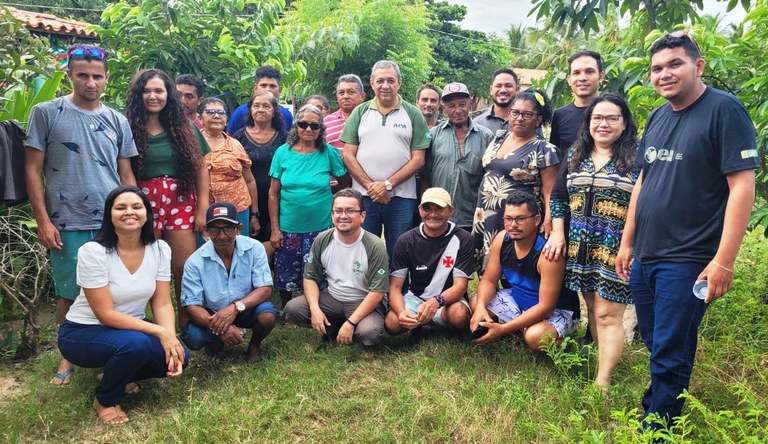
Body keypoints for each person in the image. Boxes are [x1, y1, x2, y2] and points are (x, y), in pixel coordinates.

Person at [615, 31, 758, 428]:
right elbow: (644, 181)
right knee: (654, 337)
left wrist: (724, 262)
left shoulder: (724, 111)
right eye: (657, 68)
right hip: (646, 252)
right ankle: (658, 402)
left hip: (689, 255)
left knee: (671, 346)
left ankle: (659, 426)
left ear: (698, 66)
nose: (664, 74)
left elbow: (742, 186)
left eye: (674, 64)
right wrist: (628, 242)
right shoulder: (660, 116)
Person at [24, 45, 137, 386]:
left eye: (97, 76)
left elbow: (126, 173)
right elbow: (32, 170)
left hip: (113, 220)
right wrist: (43, 220)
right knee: (70, 292)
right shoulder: (47, 113)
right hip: (66, 219)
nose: (91, 82)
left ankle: (115, 354)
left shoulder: (117, 120)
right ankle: (67, 355)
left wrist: (136, 212)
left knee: (117, 290)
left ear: (107, 78)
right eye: (83, 75)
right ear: (70, 74)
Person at [57, 185, 188, 425]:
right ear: (110, 215)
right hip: (82, 331)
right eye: (121, 207)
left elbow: (161, 302)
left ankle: (119, 373)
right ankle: (106, 398)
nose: (130, 212)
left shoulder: (159, 249)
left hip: (130, 331)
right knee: (135, 345)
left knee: (180, 356)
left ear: (147, 213)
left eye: (137, 206)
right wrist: (160, 332)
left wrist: (170, 339)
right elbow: (105, 314)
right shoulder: (93, 252)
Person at [544, 93, 639, 389]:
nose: (604, 124)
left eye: (612, 118)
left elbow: (648, 203)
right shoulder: (576, 154)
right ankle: (604, 360)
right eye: (598, 118)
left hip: (617, 248)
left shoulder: (636, 157)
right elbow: (558, 197)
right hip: (580, 247)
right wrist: (558, 231)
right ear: (589, 122)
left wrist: (632, 244)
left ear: (624, 124)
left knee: (608, 314)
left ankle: (603, 381)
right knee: (594, 310)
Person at [125, 68, 210, 328]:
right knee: (146, 267)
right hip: (143, 202)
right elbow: (125, 170)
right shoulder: (127, 127)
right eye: (146, 91)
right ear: (138, 96)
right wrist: (134, 205)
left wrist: (202, 208)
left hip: (180, 200)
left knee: (183, 268)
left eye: (158, 90)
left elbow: (200, 167)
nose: (152, 96)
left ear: (168, 94)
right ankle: (146, 325)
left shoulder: (183, 127)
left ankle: (186, 324)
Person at [340, 60, 431, 259]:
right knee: (364, 249)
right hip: (364, 196)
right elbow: (348, 154)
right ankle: (368, 289)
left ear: (400, 82)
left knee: (399, 249)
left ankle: (398, 290)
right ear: (372, 82)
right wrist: (371, 186)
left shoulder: (413, 114)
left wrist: (387, 185)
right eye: (380, 80)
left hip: (401, 197)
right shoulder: (360, 112)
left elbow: (418, 159)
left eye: (391, 80)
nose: (385, 85)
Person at [470, 191, 579, 350]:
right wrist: (480, 308)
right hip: (518, 301)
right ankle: (521, 326)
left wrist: (502, 330)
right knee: (477, 301)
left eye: (520, 218)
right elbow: (488, 280)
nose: (513, 225)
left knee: (534, 337)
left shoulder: (548, 252)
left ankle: (570, 346)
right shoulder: (502, 239)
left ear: (536, 220)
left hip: (556, 311)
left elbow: (546, 307)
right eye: (508, 219)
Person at [284, 188, 389, 346]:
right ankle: (332, 326)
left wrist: (351, 324)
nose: (344, 216)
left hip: (362, 300)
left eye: (350, 211)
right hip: (333, 298)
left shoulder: (374, 245)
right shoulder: (322, 240)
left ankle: (346, 326)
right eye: (338, 211)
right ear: (332, 215)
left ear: (362, 216)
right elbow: (310, 277)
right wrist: (315, 310)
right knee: (292, 309)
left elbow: (378, 292)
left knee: (369, 334)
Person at [472, 90, 560, 274]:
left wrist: (548, 221)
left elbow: (550, 191)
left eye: (527, 114)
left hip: (518, 220)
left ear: (539, 119)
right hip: (487, 215)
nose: (519, 118)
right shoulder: (499, 137)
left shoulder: (545, 149)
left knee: (512, 270)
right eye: (515, 112)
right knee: (488, 271)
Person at [269, 105, 347, 308]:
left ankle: (318, 307)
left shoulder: (328, 153)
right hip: (289, 225)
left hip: (321, 226)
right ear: (295, 126)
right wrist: (275, 229)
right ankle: (288, 309)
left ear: (321, 129)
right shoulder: (282, 153)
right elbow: (272, 194)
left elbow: (345, 183)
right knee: (286, 269)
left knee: (319, 269)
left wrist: (335, 208)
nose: (309, 129)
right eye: (303, 124)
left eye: (315, 125)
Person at [180, 202, 277, 362]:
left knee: (267, 316)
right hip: (213, 314)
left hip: (245, 307)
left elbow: (265, 288)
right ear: (206, 231)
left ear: (239, 228)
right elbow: (192, 305)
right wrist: (221, 328)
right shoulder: (195, 261)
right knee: (193, 337)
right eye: (215, 229)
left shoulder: (255, 248)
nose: (222, 235)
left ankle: (254, 344)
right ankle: (216, 340)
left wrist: (236, 308)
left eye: (228, 228)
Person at [385, 188, 474, 338]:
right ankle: (421, 323)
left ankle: (434, 324)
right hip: (416, 298)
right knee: (392, 323)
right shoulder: (406, 240)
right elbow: (395, 286)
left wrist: (436, 301)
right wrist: (401, 312)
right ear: (419, 210)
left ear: (451, 211)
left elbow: (460, 286)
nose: (433, 214)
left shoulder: (464, 238)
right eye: (427, 208)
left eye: (439, 209)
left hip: (448, 301)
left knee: (459, 316)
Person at [422, 82, 494, 233]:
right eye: (451, 105)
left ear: (470, 105)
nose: (458, 110)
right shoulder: (433, 135)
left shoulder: (486, 136)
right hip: (438, 216)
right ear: (444, 109)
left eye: (462, 104)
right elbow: (425, 175)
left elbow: (491, 178)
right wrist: (427, 209)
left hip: (472, 216)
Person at [232, 90, 286, 249]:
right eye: (256, 105)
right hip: (247, 200)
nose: (261, 109)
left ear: (274, 111)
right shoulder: (238, 136)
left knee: (277, 241)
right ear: (250, 110)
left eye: (266, 106)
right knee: (250, 242)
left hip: (278, 198)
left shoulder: (285, 137)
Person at [199, 97, 259, 236]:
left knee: (239, 251)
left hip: (238, 209)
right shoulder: (190, 143)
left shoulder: (235, 145)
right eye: (210, 112)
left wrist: (254, 215)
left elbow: (250, 180)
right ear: (200, 117)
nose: (216, 116)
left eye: (221, 113)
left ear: (226, 119)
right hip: (202, 211)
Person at [550, 50, 605, 156]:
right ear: (569, 79)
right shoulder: (560, 115)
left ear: (601, 76)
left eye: (589, 72)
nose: (582, 78)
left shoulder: (614, 112)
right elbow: (556, 157)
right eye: (576, 73)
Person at [227, 66, 293, 134]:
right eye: (263, 85)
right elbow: (229, 139)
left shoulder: (286, 115)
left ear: (280, 90)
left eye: (272, 86)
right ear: (255, 88)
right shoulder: (240, 112)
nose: (268, 89)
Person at [324, 74, 367, 152]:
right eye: (341, 93)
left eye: (351, 92)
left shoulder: (370, 119)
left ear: (362, 96)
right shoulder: (326, 122)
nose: (345, 96)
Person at [472, 68, 519, 135]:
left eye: (508, 86)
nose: (503, 90)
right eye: (498, 86)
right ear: (491, 90)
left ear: (517, 90)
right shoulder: (477, 124)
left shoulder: (527, 123)